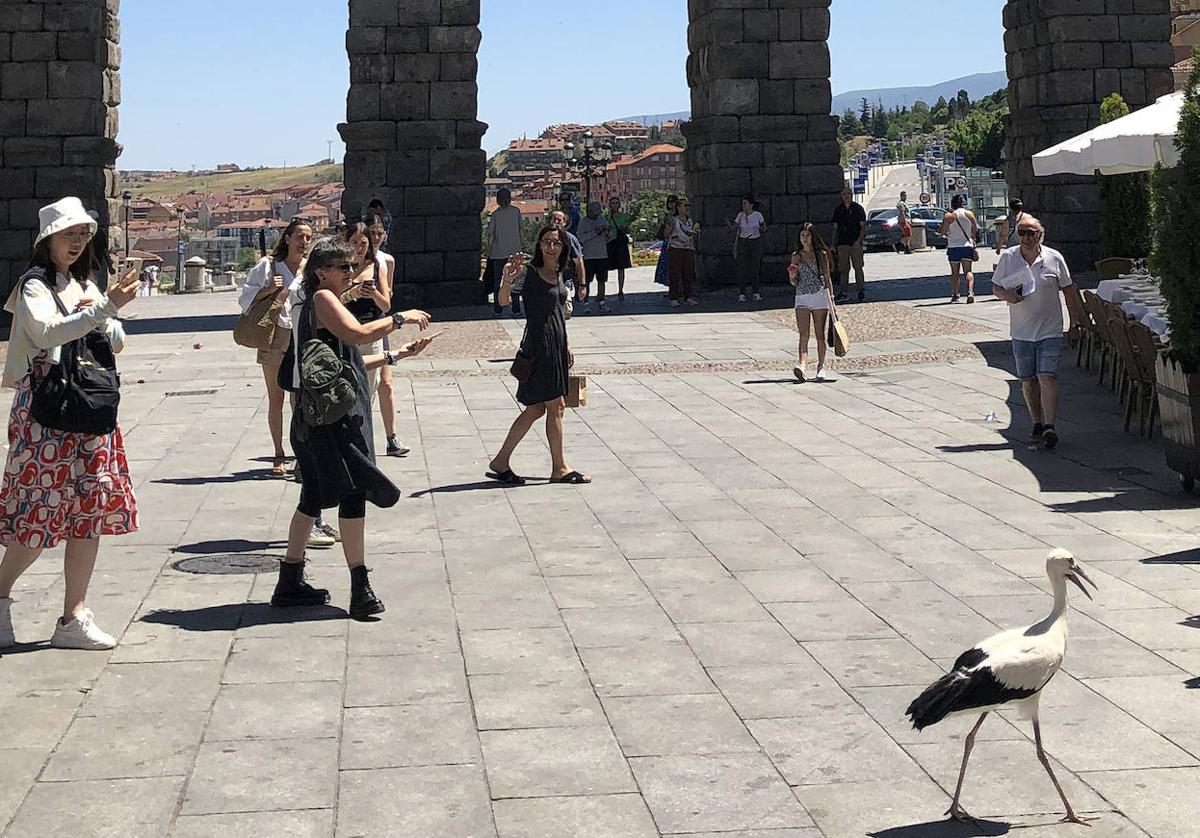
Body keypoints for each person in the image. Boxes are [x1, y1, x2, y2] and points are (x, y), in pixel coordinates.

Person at [0, 197, 142, 650]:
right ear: (48, 241)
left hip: (90, 409)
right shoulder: (34, 287)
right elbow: (45, 335)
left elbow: (114, 341)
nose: (79, 242)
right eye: (69, 234)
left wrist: (106, 311)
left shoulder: (84, 283)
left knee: (90, 513)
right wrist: (99, 310)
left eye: (83, 234)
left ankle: (73, 615)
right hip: (47, 413)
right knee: (37, 518)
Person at [274, 238, 432, 619]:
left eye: (351, 265)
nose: (350, 272)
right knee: (352, 492)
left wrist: (397, 355)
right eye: (343, 267)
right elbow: (358, 336)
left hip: (322, 417)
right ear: (321, 272)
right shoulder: (322, 300)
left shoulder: (327, 303)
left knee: (313, 496)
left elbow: (348, 363)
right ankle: (359, 586)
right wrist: (399, 317)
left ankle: (290, 581)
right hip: (335, 420)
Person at [487, 227, 590, 486]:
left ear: (563, 247)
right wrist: (506, 279)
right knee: (556, 406)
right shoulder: (529, 273)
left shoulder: (558, 274)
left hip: (556, 346)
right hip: (539, 347)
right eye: (546, 242)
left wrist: (565, 345)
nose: (551, 247)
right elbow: (502, 300)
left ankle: (501, 461)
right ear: (540, 245)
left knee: (535, 409)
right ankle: (560, 468)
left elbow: (557, 313)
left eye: (556, 243)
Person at [990, 217, 1085, 450]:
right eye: (1022, 232)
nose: (1025, 237)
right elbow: (995, 287)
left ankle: (1050, 426)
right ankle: (1036, 422)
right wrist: (1006, 296)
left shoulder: (1054, 258)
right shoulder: (1008, 258)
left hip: (1050, 329)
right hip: (1021, 332)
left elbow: (1069, 291)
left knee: (1047, 376)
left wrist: (1075, 323)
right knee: (1028, 380)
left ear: (1040, 235)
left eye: (1030, 233)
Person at [240, 218, 315, 477]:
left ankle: (300, 454)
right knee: (276, 398)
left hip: (302, 335)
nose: (304, 242)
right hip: (274, 335)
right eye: (299, 237)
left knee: (300, 398)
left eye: (308, 237)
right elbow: (245, 298)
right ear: (287, 238)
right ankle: (278, 453)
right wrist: (268, 290)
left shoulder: (312, 269)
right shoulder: (268, 266)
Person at [367, 213, 410, 457]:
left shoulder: (387, 261)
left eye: (379, 233)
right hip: (362, 326)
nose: (375, 237)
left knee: (386, 382)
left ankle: (391, 437)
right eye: (371, 233)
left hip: (380, 323)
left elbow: (388, 298)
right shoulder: (356, 260)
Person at [788, 222, 836, 383]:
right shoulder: (796, 256)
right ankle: (802, 365)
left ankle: (821, 366)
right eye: (802, 235)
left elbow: (827, 278)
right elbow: (793, 282)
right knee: (803, 334)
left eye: (807, 235)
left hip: (818, 296)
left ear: (812, 237)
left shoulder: (821, 255)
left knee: (820, 334)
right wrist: (792, 275)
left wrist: (832, 300)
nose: (805, 238)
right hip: (801, 295)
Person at [484, 188, 523, 316]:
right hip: (514, 252)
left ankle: (498, 308)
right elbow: (521, 230)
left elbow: (491, 235)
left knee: (498, 282)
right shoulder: (516, 212)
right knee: (515, 281)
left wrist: (488, 251)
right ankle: (516, 308)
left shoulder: (495, 214)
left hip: (498, 253)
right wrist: (521, 247)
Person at [940, 194, 979, 303]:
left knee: (955, 273)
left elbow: (943, 231)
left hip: (953, 247)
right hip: (967, 245)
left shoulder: (949, 216)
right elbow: (975, 230)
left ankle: (955, 295)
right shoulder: (969, 214)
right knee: (968, 271)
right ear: (963, 203)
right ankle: (970, 292)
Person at [831, 186, 867, 303]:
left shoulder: (858, 209)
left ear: (851, 195)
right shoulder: (838, 210)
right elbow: (835, 230)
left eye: (848, 193)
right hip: (842, 243)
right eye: (844, 194)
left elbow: (863, 227)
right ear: (841, 196)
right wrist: (833, 245)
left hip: (855, 243)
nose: (846, 196)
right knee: (843, 269)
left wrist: (859, 241)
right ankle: (843, 292)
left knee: (858, 267)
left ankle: (861, 291)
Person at [576, 201, 610, 314]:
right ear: (589, 212)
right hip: (589, 256)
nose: (596, 215)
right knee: (586, 281)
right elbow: (580, 238)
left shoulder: (601, 219)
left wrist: (607, 232)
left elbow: (608, 237)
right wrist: (595, 232)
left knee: (602, 280)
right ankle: (586, 303)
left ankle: (602, 301)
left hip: (602, 254)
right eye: (594, 213)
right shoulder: (583, 222)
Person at [730, 196, 766, 302]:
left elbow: (763, 226)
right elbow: (735, 226)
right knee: (742, 267)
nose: (743, 206)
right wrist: (732, 227)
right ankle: (742, 293)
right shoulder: (740, 215)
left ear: (751, 205)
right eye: (743, 204)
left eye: (745, 203)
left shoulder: (757, 215)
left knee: (755, 267)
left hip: (755, 241)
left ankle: (756, 292)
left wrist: (762, 228)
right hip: (743, 241)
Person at [667, 198, 700, 306]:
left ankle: (688, 296)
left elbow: (692, 235)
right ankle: (674, 297)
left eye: (686, 206)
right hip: (675, 248)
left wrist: (695, 234)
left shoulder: (690, 220)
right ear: (677, 208)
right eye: (681, 206)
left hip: (688, 248)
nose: (684, 208)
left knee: (688, 273)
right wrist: (669, 227)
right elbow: (665, 234)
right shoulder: (673, 219)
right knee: (675, 273)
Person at [549, 210, 585, 298]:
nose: (556, 222)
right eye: (554, 219)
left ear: (564, 223)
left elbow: (579, 262)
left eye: (559, 220)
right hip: (548, 279)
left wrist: (582, 285)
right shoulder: (543, 237)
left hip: (565, 279)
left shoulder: (570, 239)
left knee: (564, 306)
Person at [605, 196, 633, 302]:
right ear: (609, 205)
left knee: (621, 268)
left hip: (620, 243)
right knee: (606, 267)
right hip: (610, 243)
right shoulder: (606, 217)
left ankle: (620, 290)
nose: (615, 205)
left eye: (616, 203)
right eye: (612, 203)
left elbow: (628, 227)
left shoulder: (624, 216)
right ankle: (603, 289)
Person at [653, 195, 678, 291]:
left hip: (676, 241)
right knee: (666, 266)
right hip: (667, 242)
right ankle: (671, 287)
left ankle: (676, 288)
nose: (671, 204)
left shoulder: (679, 215)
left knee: (675, 266)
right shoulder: (667, 215)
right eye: (669, 202)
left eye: (673, 202)